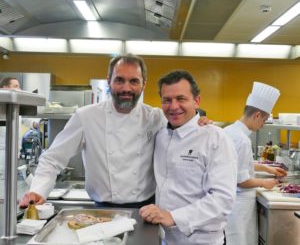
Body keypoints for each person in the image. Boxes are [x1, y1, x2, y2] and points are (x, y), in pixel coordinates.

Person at [19, 54, 209, 208]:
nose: (126, 88)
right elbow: (52, 159)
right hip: (102, 208)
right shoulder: (86, 117)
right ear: (109, 81)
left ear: (143, 84)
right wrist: (38, 190)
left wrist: (199, 121)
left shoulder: (156, 117)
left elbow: (183, 125)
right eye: (120, 80)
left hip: (146, 209)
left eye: (134, 81)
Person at [139, 70, 237, 245]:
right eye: (167, 100)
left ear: (197, 101)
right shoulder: (161, 136)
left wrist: (173, 216)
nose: (173, 106)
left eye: (181, 99)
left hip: (202, 241)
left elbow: (223, 199)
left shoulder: (215, 138)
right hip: (165, 238)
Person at [223, 82, 287, 245]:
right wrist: (265, 183)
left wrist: (266, 168)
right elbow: (242, 180)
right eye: (264, 121)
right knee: (239, 240)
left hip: (229, 203)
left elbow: (237, 163)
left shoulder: (229, 131)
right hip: (239, 206)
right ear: (257, 115)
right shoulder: (243, 140)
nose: (262, 126)